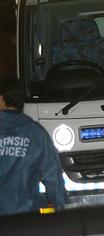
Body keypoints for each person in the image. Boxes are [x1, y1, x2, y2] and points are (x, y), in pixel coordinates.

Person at [0, 76, 67, 215]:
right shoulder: (37, 133)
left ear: (1, 99)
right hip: (28, 220)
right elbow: (54, 178)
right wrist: (62, 213)